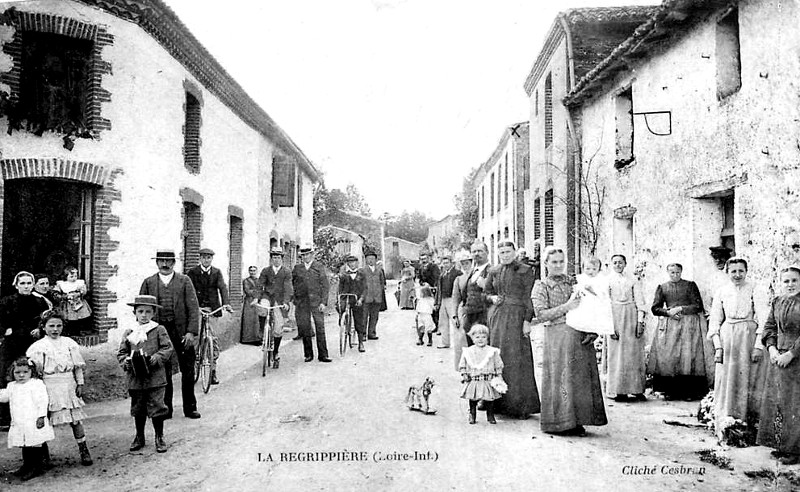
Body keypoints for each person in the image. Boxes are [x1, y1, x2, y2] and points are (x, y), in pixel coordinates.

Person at [531, 247, 607, 436]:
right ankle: (560, 423)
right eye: (554, 262)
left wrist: (593, 331)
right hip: (557, 335)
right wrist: (567, 307)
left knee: (580, 378)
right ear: (546, 263)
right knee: (562, 376)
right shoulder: (541, 285)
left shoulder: (574, 281)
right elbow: (540, 315)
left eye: (561, 261)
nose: (558, 265)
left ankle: (579, 420)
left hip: (579, 333)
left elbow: (593, 304)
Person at [708, 257, 766, 445]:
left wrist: (758, 345)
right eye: (733, 271)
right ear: (728, 273)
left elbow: (763, 317)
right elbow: (715, 320)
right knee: (727, 377)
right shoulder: (722, 291)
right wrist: (718, 346)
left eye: (741, 271)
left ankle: (748, 422)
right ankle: (727, 419)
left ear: (746, 271)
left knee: (748, 377)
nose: (737, 275)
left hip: (747, 336)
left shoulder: (755, 288)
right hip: (727, 336)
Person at [139, 250, 202, 419]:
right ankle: (165, 408)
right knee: (163, 372)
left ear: (174, 263)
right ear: (157, 262)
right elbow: (141, 309)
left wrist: (191, 332)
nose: (165, 264)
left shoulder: (184, 281)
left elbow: (193, 308)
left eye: (168, 261)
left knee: (188, 370)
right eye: (161, 261)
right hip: (159, 332)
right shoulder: (149, 282)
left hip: (181, 332)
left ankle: (190, 408)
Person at [26, 311, 92, 466]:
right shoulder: (38, 346)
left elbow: (77, 367)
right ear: (43, 327)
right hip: (48, 385)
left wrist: (80, 383)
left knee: (75, 420)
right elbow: (36, 372)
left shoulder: (69, 343)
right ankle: (44, 454)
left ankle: (84, 450)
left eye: (59, 326)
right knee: (44, 419)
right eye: (51, 326)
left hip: (68, 383)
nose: (55, 329)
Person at [485, 240, 539, 419]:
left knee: (517, 359)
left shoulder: (525, 270)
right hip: (498, 318)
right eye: (502, 253)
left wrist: (527, 320)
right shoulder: (493, 271)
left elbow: (528, 298)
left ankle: (519, 406)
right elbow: (485, 293)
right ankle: (496, 402)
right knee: (497, 357)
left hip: (517, 318)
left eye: (508, 252)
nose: (505, 255)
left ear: (514, 252)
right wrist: (492, 298)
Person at [117, 295, 174, 454]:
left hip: (155, 376)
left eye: (148, 312)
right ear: (134, 312)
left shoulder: (158, 329)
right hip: (136, 377)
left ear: (153, 313)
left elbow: (167, 349)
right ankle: (139, 436)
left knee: (157, 406)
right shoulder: (129, 331)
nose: (144, 315)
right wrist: (126, 362)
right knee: (138, 407)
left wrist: (155, 358)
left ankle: (159, 436)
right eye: (140, 311)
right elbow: (121, 352)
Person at [758, 265, 800, 465]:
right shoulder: (777, 301)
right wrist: (772, 349)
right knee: (777, 401)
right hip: (777, 358)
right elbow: (769, 327)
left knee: (794, 403)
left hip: (796, 359)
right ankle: (780, 445)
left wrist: (791, 353)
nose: (790, 284)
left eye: (794, 280)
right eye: (786, 281)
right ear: (780, 283)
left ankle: (795, 450)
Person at [649, 263, 708, 400]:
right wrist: (668, 312)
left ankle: (689, 392)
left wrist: (681, 308)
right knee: (670, 357)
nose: (675, 275)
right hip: (671, 325)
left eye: (677, 272)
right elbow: (655, 308)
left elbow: (697, 306)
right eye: (672, 272)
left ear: (681, 272)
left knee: (687, 357)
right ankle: (670, 391)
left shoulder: (690, 285)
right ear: (668, 272)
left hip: (688, 325)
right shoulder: (662, 287)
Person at [0, 271, 51, 428]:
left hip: (32, 343)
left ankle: (38, 416)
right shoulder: (7, 301)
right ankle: (6, 418)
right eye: (22, 283)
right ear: (16, 285)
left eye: (29, 283)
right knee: (8, 376)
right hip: (13, 343)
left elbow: (46, 321)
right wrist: (4, 330)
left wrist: (39, 329)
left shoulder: (39, 301)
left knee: (35, 376)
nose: (26, 286)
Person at [0, 357, 54, 481]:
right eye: (17, 372)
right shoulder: (12, 386)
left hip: (33, 420)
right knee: (25, 444)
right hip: (20, 421)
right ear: (12, 373)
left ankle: (36, 467)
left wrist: (41, 416)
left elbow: (43, 400)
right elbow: (4, 397)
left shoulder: (36, 384)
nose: (21, 375)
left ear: (31, 372)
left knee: (35, 444)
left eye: (25, 372)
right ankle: (26, 465)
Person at [186, 248, 232, 385]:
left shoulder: (217, 272)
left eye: (209, 258)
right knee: (195, 338)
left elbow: (223, 288)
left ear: (212, 259)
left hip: (212, 309)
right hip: (197, 309)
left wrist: (226, 304)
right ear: (200, 258)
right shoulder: (192, 272)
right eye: (204, 257)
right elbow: (189, 290)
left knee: (213, 338)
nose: (206, 260)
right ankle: (194, 368)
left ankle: (212, 371)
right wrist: (193, 307)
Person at [605, 254, 647, 402]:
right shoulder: (607, 280)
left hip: (631, 316)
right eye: (615, 262)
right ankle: (619, 390)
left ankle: (636, 389)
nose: (618, 265)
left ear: (625, 264)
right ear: (611, 264)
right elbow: (605, 304)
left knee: (633, 353)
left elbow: (640, 301)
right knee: (617, 355)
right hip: (614, 316)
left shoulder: (632, 280)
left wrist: (640, 322)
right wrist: (609, 327)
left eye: (620, 262)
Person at [292, 245, 331, 363]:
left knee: (320, 327)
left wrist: (323, 302)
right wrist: (296, 299)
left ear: (312, 255)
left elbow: (325, 285)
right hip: (302, 303)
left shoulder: (318, 267)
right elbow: (292, 284)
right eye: (303, 255)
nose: (306, 257)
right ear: (301, 257)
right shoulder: (297, 268)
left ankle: (323, 355)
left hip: (317, 302)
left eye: (308, 254)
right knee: (305, 328)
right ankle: (308, 354)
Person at [459, 324, 504, 425]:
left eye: (483, 337)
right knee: (473, 398)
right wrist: (464, 373)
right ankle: (472, 413)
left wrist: (499, 375)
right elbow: (463, 364)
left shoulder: (492, 351)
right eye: (477, 337)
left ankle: (490, 415)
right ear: (472, 338)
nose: (480, 339)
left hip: (488, 379)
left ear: (487, 338)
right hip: (474, 379)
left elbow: (498, 364)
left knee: (489, 399)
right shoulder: (469, 351)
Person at [258, 248, 293, 368]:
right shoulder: (266, 271)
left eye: (278, 258)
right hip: (267, 297)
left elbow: (288, 288)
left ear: (282, 259)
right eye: (274, 257)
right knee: (262, 308)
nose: (276, 260)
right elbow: (260, 285)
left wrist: (286, 302)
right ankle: (263, 330)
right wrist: (255, 298)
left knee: (278, 328)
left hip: (279, 300)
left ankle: (276, 351)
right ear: (271, 259)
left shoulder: (286, 272)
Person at [463, 241, 492, 347]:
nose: (476, 254)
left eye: (480, 251)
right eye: (474, 251)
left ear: (487, 252)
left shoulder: (491, 270)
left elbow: (497, 292)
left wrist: (485, 285)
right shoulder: (472, 271)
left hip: (483, 315)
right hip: (470, 315)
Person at [338, 255, 367, 352]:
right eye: (350, 263)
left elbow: (365, 289)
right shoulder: (344, 275)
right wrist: (339, 299)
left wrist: (361, 299)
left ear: (357, 263)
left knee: (359, 320)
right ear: (348, 264)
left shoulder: (362, 275)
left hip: (357, 300)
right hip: (347, 298)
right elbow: (340, 289)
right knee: (340, 308)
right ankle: (343, 322)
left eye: (354, 262)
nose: (352, 264)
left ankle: (361, 342)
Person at [53, 266, 92, 336]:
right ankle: (69, 331)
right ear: (66, 276)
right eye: (71, 276)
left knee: (79, 317)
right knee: (69, 318)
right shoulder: (62, 284)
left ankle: (78, 330)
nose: (74, 278)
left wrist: (79, 293)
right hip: (67, 304)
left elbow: (84, 291)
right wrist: (64, 296)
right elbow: (56, 293)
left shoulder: (79, 283)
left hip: (78, 303)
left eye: (75, 276)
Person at [451, 251, 473, 371]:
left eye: (467, 263)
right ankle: (464, 367)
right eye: (463, 264)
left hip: (477, 311)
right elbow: (455, 298)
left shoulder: (478, 276)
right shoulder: (459, 279)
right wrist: (454, 315)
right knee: (461, 339)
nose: (465, 266)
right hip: (463, 311)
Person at [435, 255, 461, 349]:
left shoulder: (457, 273)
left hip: (452, 299)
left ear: (451, 263)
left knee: (455, 321)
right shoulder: (442, 274)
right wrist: (437, 302)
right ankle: (445, 342)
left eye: (447, 263)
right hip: (443, 299)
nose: (445, 265)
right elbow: (439, 289)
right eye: (444, 263)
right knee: (443, 322)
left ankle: (459, 343)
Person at [360, 250, 386, 340]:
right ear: (366, 260)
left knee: (374, 316)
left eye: (372, 259)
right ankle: (362, 334)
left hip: (377, 297)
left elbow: (382, 283)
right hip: (366, 297)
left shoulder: (379, 271)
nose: (370, 261)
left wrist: (379, 293)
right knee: (364, 316)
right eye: (368, 259)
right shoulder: (362, 271)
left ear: (375, 260)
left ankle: (372, 333)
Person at [240, 266, 261, 345]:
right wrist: (256, 292)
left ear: (256, 271)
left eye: (254, 271)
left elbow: (261, 290)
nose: (252, 272)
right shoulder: (246, 280)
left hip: (257, 302)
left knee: (256, 321)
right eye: (251, 271)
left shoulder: (259, 280)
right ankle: (247, 339)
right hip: (249, 302)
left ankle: (257, 338)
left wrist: (257, 295)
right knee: (248, 320)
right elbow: (247, 290)